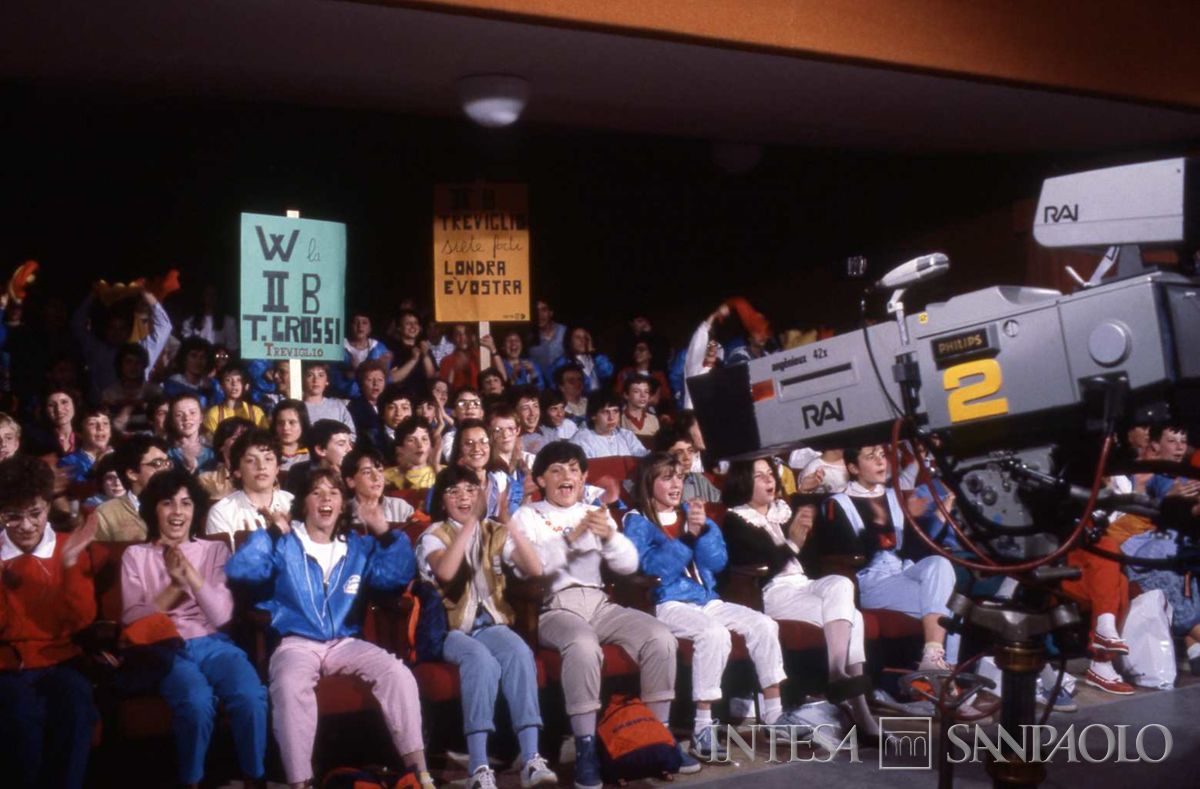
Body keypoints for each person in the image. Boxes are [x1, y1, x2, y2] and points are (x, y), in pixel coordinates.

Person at [225, 467, 432, 789]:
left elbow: (393, 578)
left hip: (344, 642)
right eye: (316, 492)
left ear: (342, 503)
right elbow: (241, 571)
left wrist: (383, 531)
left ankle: (419, 774)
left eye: (333, 493)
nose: (326, 499)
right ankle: (300, 783)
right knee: (289, 685)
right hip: (295, 642)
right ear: (303, 503)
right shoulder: (285, 542)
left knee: (397, 673)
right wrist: (274, 532)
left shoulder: (357, 546)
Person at [504, 441, 678, 789]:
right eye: (556, 470)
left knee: (660, 637)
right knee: (583, 645)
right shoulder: (527, 516)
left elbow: (628, 564)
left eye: (573, 469)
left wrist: (610, 537)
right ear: (541, 480)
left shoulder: (594, 512)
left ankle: (658, 739)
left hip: (599, 602)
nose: (565, 477)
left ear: (583, 478)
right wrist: (574, 538)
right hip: (552, 606)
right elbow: (529, 568)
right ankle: (586, 749)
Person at [624, 453, 793, 759]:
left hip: (706, 599)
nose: (676, 485)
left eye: (679, 478)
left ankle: (774, 715)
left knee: (764, 624)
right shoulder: (637, 521)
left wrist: (703, 533)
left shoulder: (690, 513)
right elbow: (653, 571)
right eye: (666, 478)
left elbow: (717, 562)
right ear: (649, 483)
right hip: (666, 603)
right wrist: (687, 538)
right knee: (713, 634)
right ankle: (703, 727)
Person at [120, 469, 268, 787]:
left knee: (250, 695)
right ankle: (192, 781)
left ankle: (255, 778)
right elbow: (133, 618)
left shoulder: (214, 550)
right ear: (153, 510)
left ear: (195, 509)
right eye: (167, 503)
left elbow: (221, 615)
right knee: (196, 701)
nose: (178, 512)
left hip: (214, 642)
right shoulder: (136, 555)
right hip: (166, 647)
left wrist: (189, 574)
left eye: (186, 503)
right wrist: (174, 587)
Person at [415, 465, 557, 789]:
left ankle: (531, 758)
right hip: (449, 630)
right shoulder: (434, 534)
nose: (463, 497)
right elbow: (446, 572)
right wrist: (470, 524)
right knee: (481, 661)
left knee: (519, 652)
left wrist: (508, 523)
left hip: (491, 624)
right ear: (442, 501)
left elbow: (535, 567)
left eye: (470, 490)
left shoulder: (493, 530)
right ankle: (478, 767)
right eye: (453, 492)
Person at [721, 459, 879, 736]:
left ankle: (836, 673)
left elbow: (814, 561)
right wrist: (792, 543)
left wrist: (810, 531)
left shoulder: (785, 511)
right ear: (743, 482)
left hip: (805, 584)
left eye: (770, 474)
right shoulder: (735, 521)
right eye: (759, 476)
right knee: (854, 618)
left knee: (841, 583)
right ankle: (863, 717)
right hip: (772, 592)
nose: (769, 480)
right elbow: (759, 567)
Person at [0, 455, 99, 789]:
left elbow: (81, 620)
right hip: (8, 666)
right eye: (13, 516)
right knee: (19, 716)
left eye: (35, 513)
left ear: (47, 507)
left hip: (60, 661)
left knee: (76, 701)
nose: (27, 526)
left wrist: (70, 565)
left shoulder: (66, 547)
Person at [814, 445, 960, 672]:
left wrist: (934, 518)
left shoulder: (894, 497)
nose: (881, 462)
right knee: (952, 607)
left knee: (940, 564)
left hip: (902, 572)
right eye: (871, 457)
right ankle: (946, 675)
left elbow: (915, 548)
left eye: (882, 455)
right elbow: (845, 553)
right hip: (871, 581)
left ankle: (933, 659)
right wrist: (879, 531)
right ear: (853, 468)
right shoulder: (837, 503)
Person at [71, 287, 172, 404]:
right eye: (112, 327)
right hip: (102, 408)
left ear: (129, 330)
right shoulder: (96, 350)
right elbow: (77, 324)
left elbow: (164, 326)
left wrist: (144, 291)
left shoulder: (142, 349)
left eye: (122, 328)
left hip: (141, 408)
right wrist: (93, 294)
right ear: (106, 330)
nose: (117, 332)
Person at [205, 429, 294, 537]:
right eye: (250, 460)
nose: (261, 466)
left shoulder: (292, 504)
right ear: (237, 471)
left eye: (268, 459)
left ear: (277, 468)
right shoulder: (222, 513)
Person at [93, 434, 172, 542]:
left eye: (167, 463)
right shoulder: (106, 514)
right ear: (132, 474)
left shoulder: (183, 507)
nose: (166, 470)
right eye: (157, 464)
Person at [342, 446, 414, 531]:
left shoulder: (401, 508)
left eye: (380, 471)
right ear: (351, 481)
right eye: (367, 472)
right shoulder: (343, 512)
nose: (376, 477)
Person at [100, 343, 162, 433]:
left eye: (138, 362)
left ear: (143, 365)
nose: (133, 367)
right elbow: (108, 427)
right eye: (128, 362)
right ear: (120, 365)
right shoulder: (110, 394)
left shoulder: (155, 391)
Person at [285, 419, 355, 497]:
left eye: (350, 443)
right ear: (320, 450)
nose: (350, 449)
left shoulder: (353, 473)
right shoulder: (299, 473)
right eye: (341, 444)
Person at [569, 394, 650, 459]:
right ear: (593, 415)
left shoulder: (627, 435)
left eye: (615, 411)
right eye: (606, 412)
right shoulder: (581, 439)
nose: (611, 417)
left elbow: (643, 457)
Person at [654, 429, 721, 503]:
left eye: (690, 451)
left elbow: (721, 502)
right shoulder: (654, 483)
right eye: (679, 453)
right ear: (663, 455)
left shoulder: (698, 479)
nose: (687, 458)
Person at [197, 416, 255, 501]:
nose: (242, 443)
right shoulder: (206, 481)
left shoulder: (263, 478)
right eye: (235, 438)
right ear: (221, 445)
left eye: (246, 438)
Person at [203, 365, 268, 435]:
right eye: (228, 380)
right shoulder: (213, 414)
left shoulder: (256, 412)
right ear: (221, 387)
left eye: (239, 380)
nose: (234, 384)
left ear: (246, 386)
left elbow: (265, 437)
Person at [340, 310, 392, 398]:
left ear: (370, 328)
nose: (360, 326)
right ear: (350, 325)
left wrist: (354, 371)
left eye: (364, 323)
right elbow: (337, 376)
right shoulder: (339, 346)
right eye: (355, 323)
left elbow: (385, 377)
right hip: (343, 396)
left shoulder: (379, 347)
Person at [385, 309, 436, 395]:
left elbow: (432, 377)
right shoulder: (392, 349)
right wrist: (413, 360)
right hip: (400, 396)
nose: (413, 326)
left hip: (422, 396)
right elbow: (392, 378)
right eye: (408, 323)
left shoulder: (424, 348)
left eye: (416, 323)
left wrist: (425, 355)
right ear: (399, 328)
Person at [549, 326, 613, 395]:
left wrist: (594, 353)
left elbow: (608, 373)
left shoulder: (595, 358)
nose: (583, 341)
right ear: (570, 341)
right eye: (578, 337)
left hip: (598, 398)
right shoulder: (561, 362)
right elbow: (554, 386)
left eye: (585, 337)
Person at [57, 405, 113, 483]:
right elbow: (78, 488)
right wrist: (97, 465)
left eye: (105, 423)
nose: (101, 428)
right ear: (79, 432)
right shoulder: (67, 462)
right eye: (92, 424)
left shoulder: (119, 457)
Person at [163, 337, 221, 410]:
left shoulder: (213, 384)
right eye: (193, 356)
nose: (198, 361)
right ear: (184, 359)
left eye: (203, 357)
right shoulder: (172, 384)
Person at [301, 362, 355, 440]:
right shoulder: (297, 406)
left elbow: (352, 435)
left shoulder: (338, 406)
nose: (316, 380)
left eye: (321, 375)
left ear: (327, 381)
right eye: (310, 375)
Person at [385, 416, 438, 492]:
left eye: (424, 439)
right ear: (399, 448)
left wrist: (436, 465)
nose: (420, 445)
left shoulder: (442, 471)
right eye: (411, 440)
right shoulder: (386, 477)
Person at [180, 283, 239, 351]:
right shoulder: (189, 321)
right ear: (202, 297)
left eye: (214, 294)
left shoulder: (229, 321)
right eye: (208, 294)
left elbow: (232, 347)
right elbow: (188, 345)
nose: (211, 297)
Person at [167, 393, 215, 474]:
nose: (187, 418)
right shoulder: (168, 452)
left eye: (192, 413)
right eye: (179, 415)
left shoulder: (213, 449)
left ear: (201, 418)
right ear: (172, 421)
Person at [348, 360, 390, 449]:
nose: (376, 384)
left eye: (380, 380)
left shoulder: (390, 404)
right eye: (370, 380)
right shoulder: (354, 408)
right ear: (361, 383)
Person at [527, 300, 566, 382]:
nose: (539, 315)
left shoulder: (564, 332)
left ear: (550, 313)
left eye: (543, 310)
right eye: (536, 311)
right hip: (541, 384)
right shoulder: (529, 337)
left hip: (563, 383)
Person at [271, 399, 311, 474]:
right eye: (280, 423)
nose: (285, 428)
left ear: (303, 424)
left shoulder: (312, 455)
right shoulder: (268, 454)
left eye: (292, 422)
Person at [438, 324, 481, 392]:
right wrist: (453, 368)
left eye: (466, 333)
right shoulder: (446, 361)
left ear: (472, 336)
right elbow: (445, 389)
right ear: (452, 338)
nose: (462, 338)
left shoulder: (482, 355)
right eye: (458, 334)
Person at [375, 384, 415, 451]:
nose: (398, 413)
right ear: (382, 412)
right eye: (392, 407)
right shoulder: (372, 438)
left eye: (404, 408)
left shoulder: (418, 436)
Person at [618, 374, 659, 439]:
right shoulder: (619, 419)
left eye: (646, 392)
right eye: (636, 391)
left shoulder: (653, 419)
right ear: (626, 395)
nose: (643, 395)